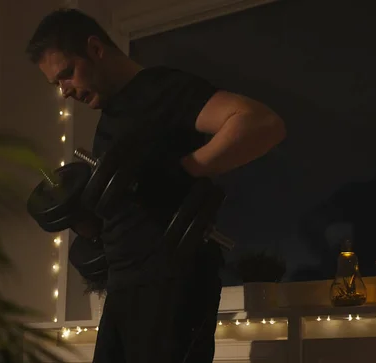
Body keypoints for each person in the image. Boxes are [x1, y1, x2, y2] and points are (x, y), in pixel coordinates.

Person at [26, 8, 286, 363]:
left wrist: (186, 168)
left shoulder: (160, 89)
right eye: (56, 84)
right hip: (125, 290)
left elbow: (262, 123)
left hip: (171, 288)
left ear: (96, 49)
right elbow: (132, 203)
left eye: (67, 74)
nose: (65, 91)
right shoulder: (110, 120)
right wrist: (84, 221)